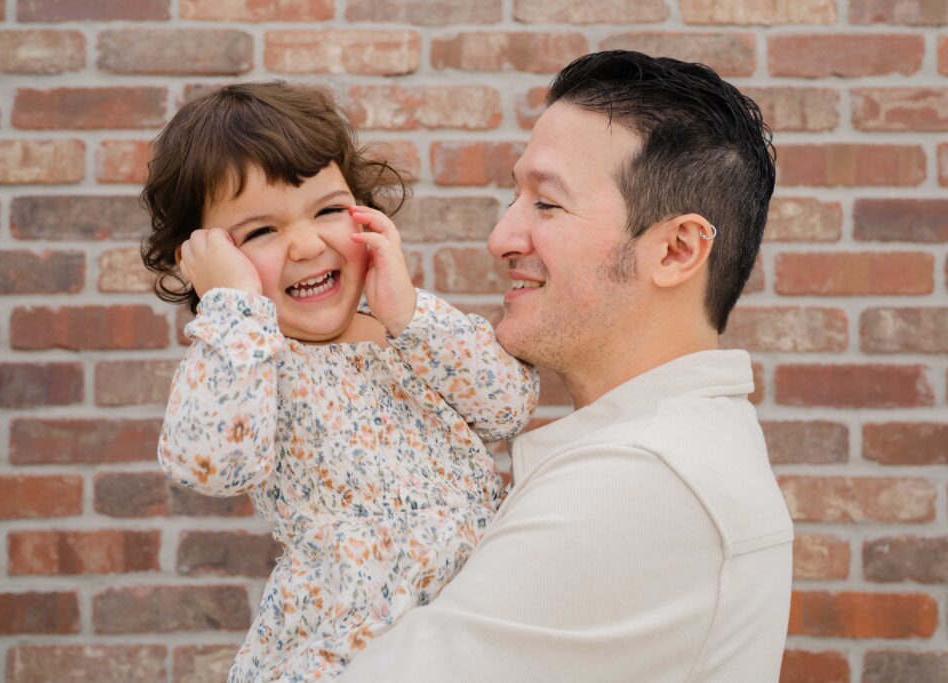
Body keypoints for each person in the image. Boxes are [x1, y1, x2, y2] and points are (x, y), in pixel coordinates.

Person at [338, 50, 793, 682]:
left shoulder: (634, 480)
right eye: (515, 196)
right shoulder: (681, 449)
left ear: (675, 250)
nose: (501, 238)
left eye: (547, 204)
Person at [140, 82, 539, 682]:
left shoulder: (409, 332)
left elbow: (507, 407)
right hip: (351, 647)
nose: (308, 244)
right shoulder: (250, 359)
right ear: (204, 259)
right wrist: (233, 306)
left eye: (328, 210)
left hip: (480, 616)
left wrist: (408, 312)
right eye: (260, 232)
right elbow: (213, 465)